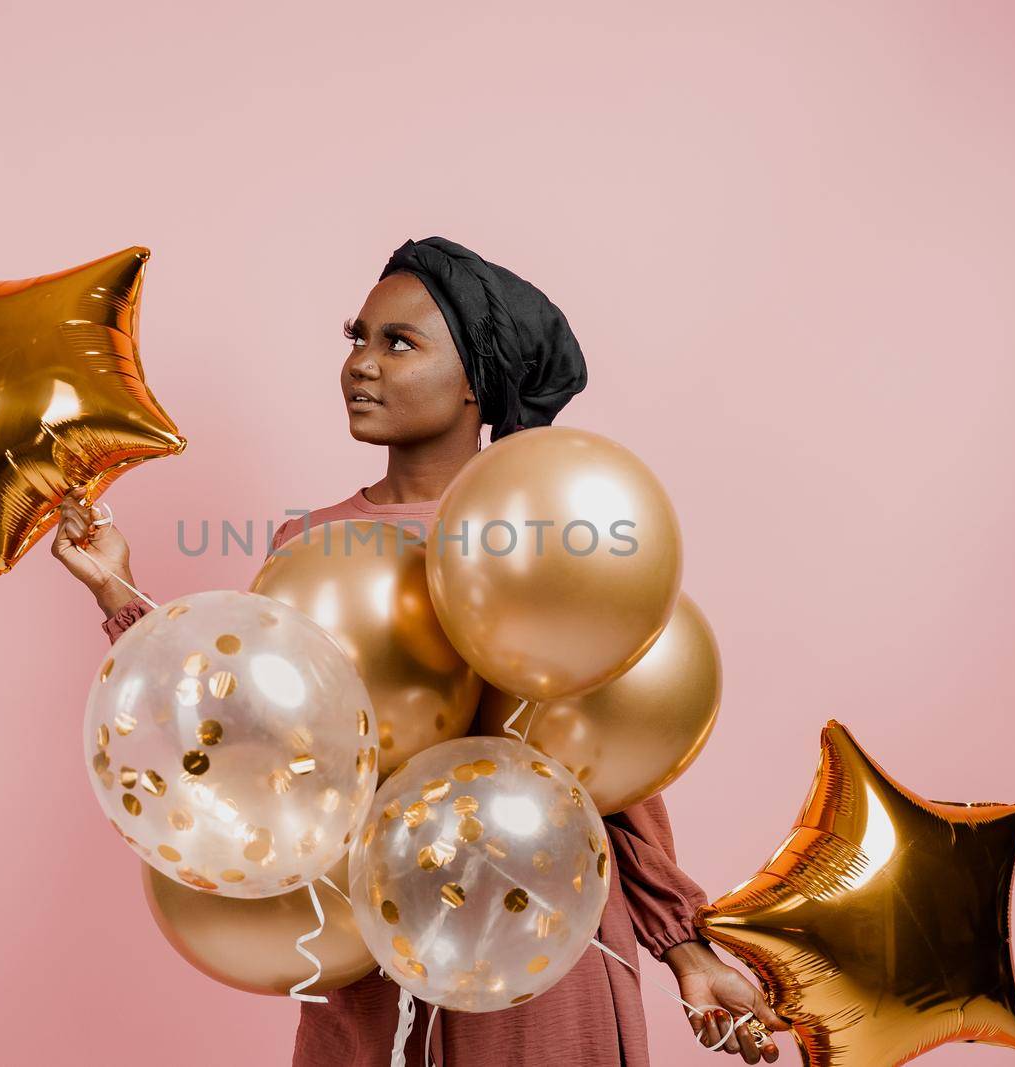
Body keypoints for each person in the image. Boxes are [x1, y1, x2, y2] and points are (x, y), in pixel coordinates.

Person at [54, 237, 788, 1065]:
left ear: (476, 378)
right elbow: (258, 741)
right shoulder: (310, 543)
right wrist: (118, 594)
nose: (360, 365)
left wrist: (685, 949)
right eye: (356, 337)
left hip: (534, 945)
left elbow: (604, 767)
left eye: (397, 343)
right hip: (372, 952)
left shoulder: (537, 538)